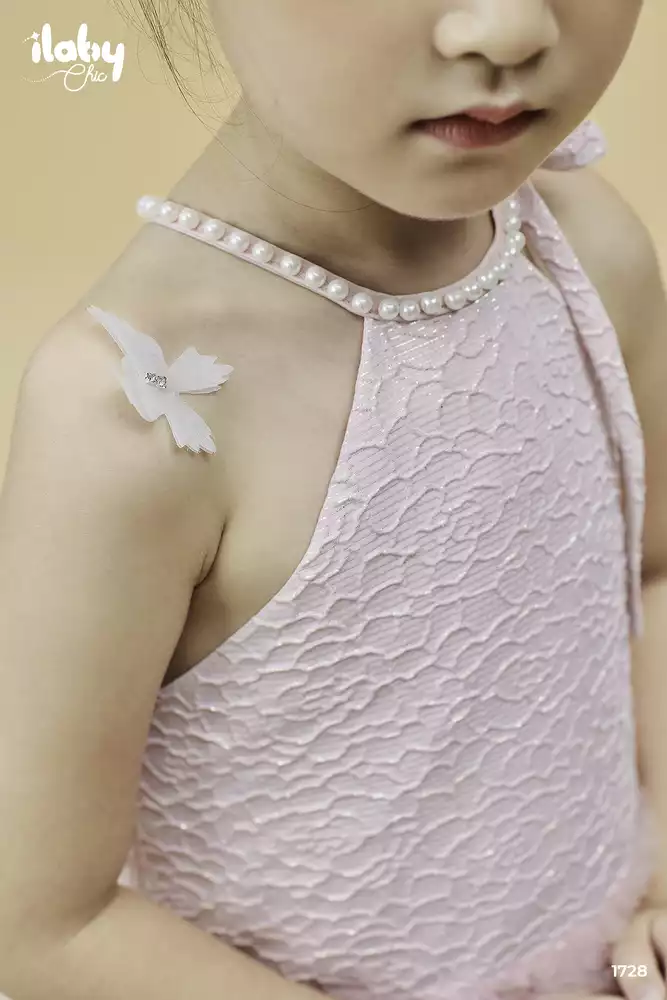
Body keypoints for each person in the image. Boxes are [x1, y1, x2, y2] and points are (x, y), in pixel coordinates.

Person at [2, 1, 667, 999]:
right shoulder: (135, 419)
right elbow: (46, 923)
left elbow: (651, 570)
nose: (508, 28)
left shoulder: (582, 249)